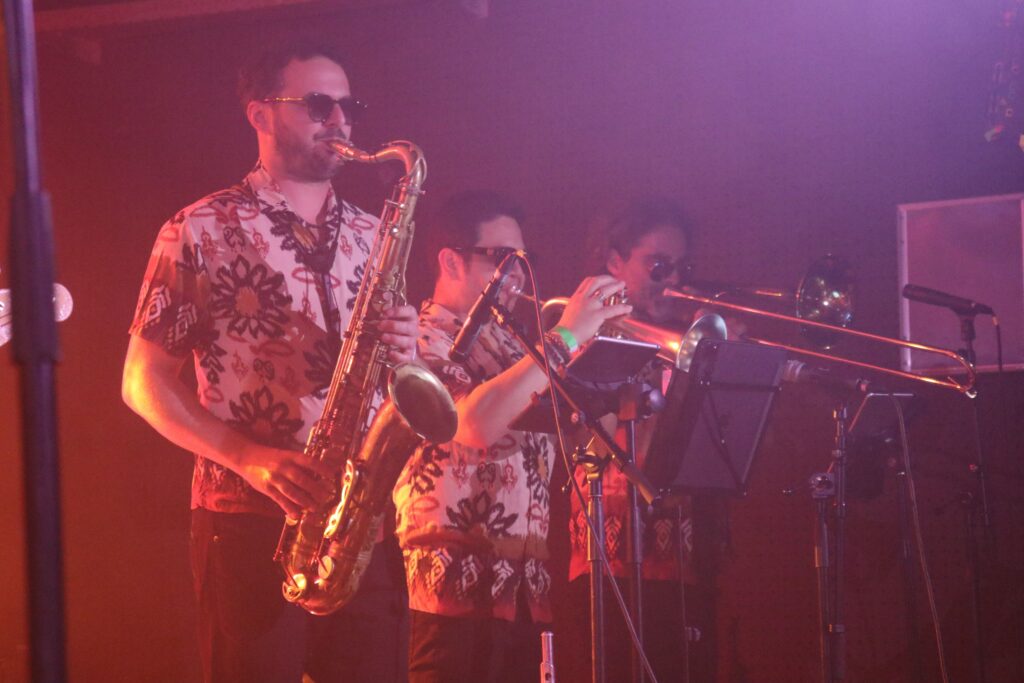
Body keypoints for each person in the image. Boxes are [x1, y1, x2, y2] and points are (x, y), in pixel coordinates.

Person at [122, 42, 416, 683]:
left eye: (348, 106)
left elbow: (390, 377)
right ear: (259, 114)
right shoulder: (198, 228)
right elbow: (142, 383)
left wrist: (406, 347)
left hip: (362, 526)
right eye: (317, 104)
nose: (339, 121)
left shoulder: (374, 233)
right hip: (250, 522)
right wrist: (247, 458)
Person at [391, 190, 632, 682]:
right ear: (451, 262)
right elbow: (470, 426)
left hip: (525, 589)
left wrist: (608, 354)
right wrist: (565, 338)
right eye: (502, 258)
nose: (518, 274)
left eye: (524, 260)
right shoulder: (418, 337)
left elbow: (593, 446)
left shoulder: (523, 348)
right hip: (445, 587)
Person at [567, 197, 724, 682]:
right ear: (615, 261)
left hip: (685, 559)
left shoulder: (683, 336)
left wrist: (724, 369)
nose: (672, 280)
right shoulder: (583, 333)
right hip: (607, 563)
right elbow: (582, 442)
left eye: (681, 267)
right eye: (658, 265)